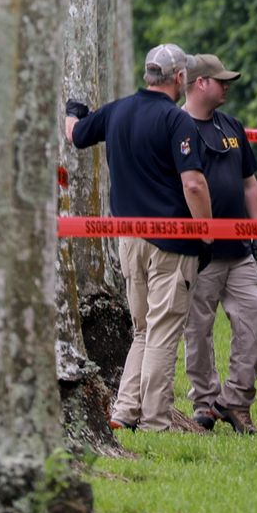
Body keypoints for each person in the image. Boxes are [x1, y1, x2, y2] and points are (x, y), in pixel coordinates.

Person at [65, 44, 210, 434]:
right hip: (172, 241)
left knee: (143, 330)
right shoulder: (177, 121)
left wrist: (71, 112)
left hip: (128, 239)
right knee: (162, 331)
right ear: (179, 77)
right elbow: (194, 184)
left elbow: (76, 136)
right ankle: (156, 421)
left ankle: (124, 410)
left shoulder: (118, 110)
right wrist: (206, 233)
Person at [173, 53, 257, 435]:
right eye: (220, 80)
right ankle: (205, 402)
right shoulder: (176, 126)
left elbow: (249, 184)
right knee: (197, 331)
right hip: (200, 252)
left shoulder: (231, 126)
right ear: (200, 83)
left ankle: (236, 402)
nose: (227, 85)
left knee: (253, 318)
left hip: (239, 250)